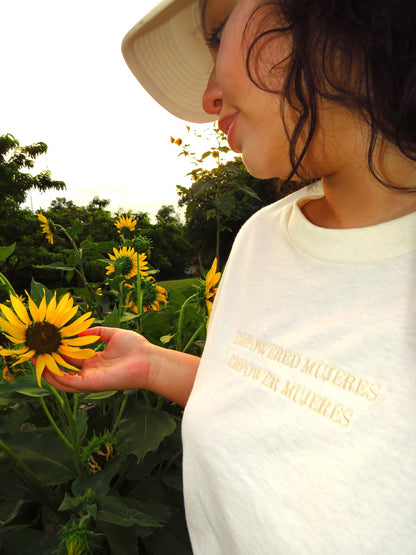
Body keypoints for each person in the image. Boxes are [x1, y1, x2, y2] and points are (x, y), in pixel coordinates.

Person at [44, 0, 416, 552]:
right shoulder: (261, 236)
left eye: (218, 35)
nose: (208, 98)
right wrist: (155, 363)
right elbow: (286, 396)